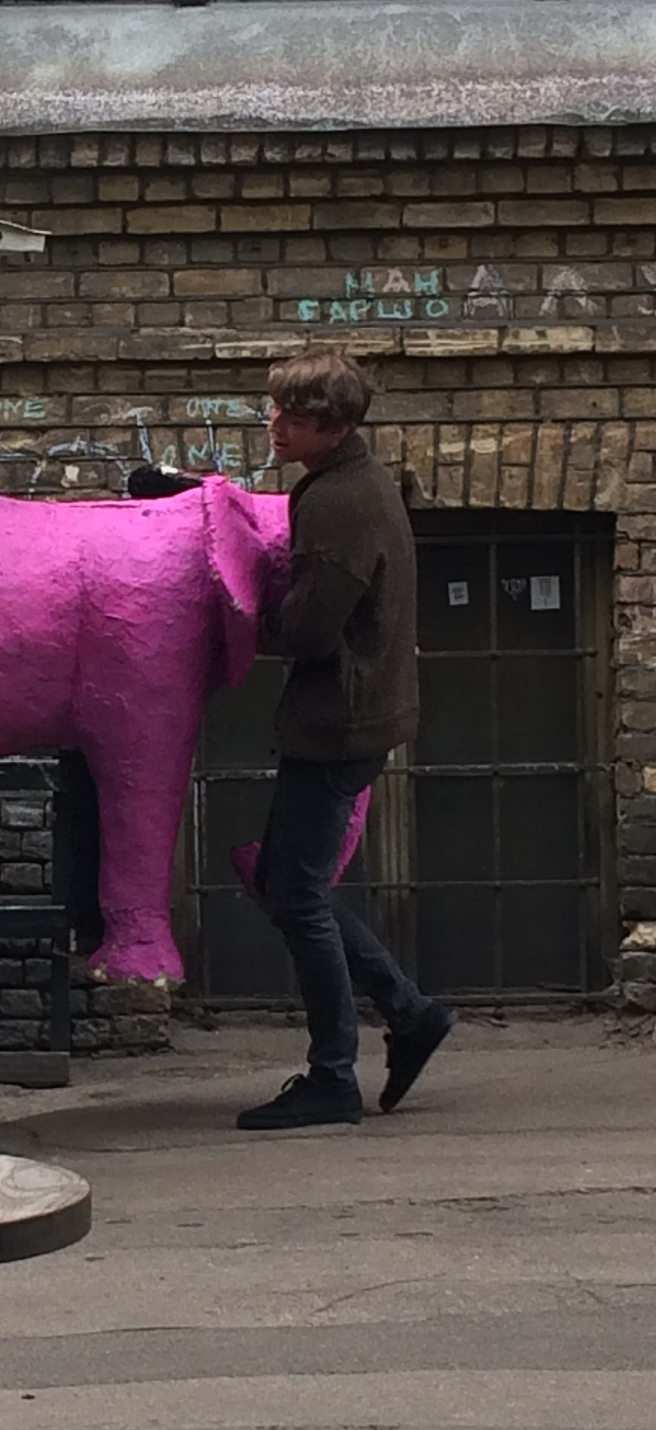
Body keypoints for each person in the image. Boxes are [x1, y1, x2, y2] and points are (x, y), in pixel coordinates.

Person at [237, 352, 454, 1131]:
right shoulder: (354, 482)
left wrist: (238, 619)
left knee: (295, 895)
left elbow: (309, 628)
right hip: (357, 714)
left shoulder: (335, 502)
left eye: (290, 417)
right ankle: (410, 1009)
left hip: (338, 724)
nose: (274, 424)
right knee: (295, 887)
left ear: (333, 426)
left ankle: (334, 1075)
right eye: (274, 410)